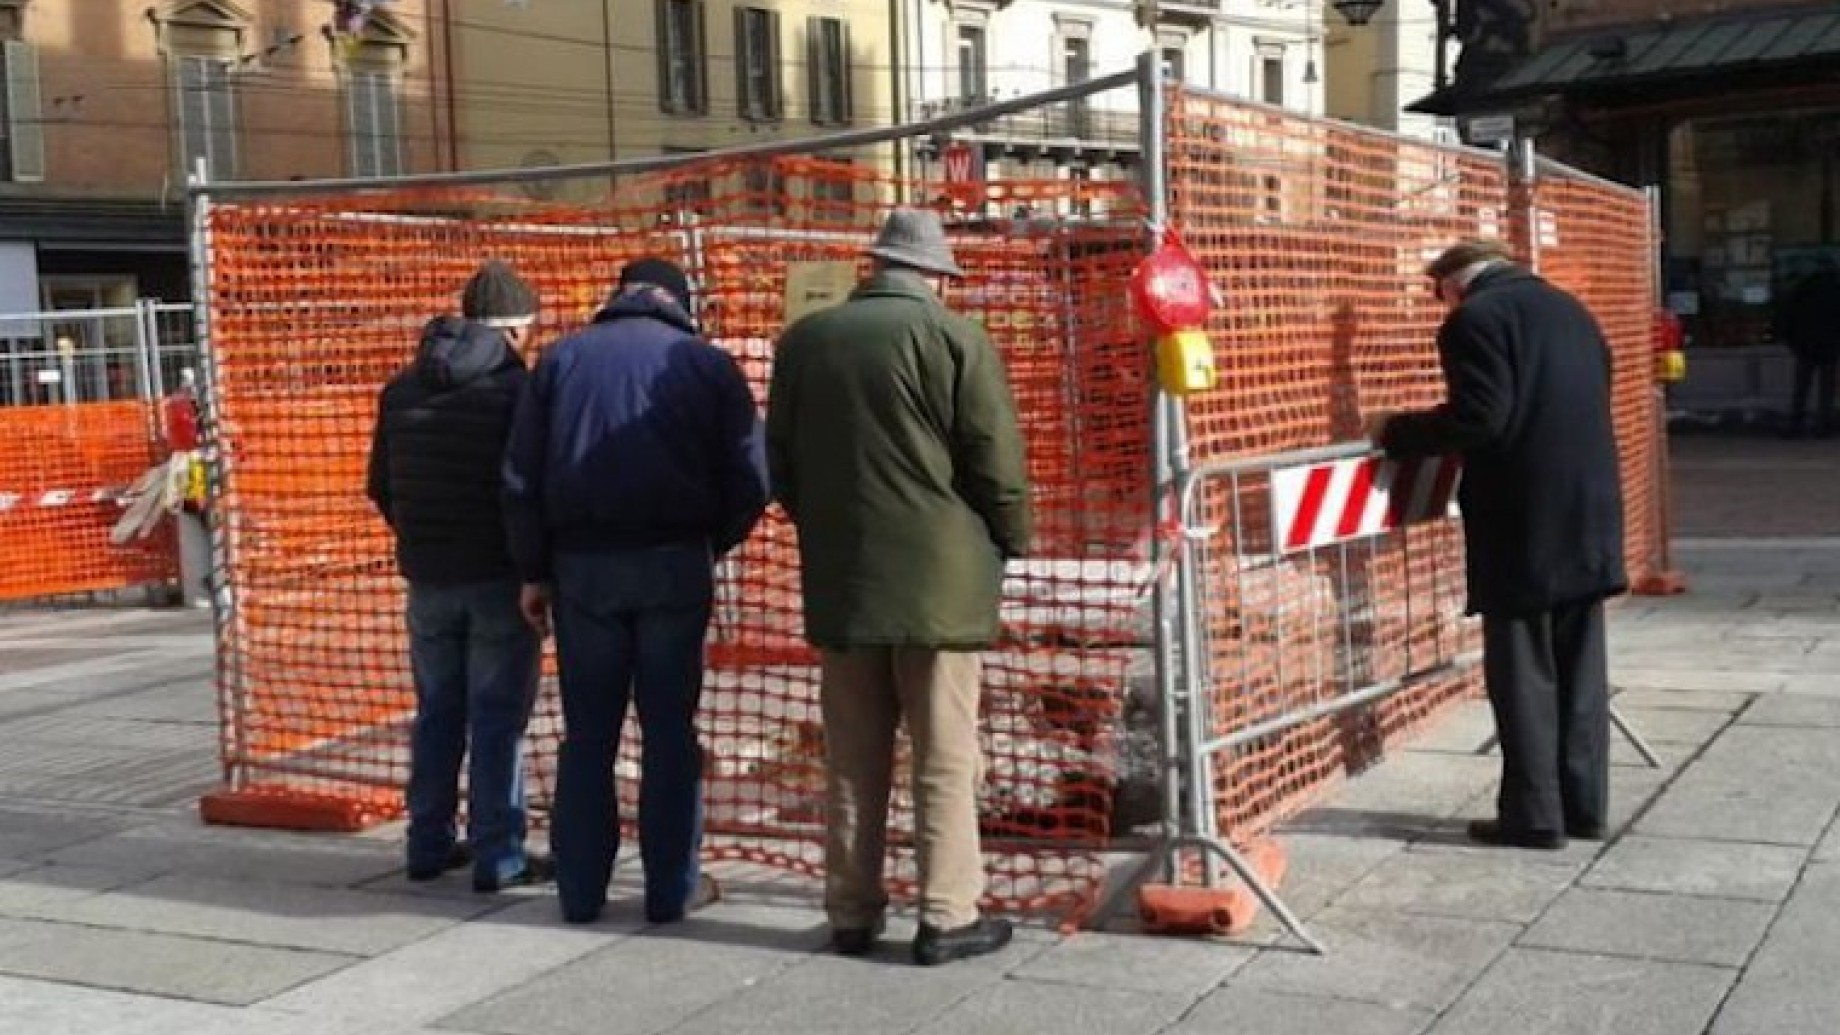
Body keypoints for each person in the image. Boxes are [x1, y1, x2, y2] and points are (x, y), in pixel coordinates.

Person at [766, 208, 1033, 965]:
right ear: (936, 279)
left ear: (873, 267)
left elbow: (778, 462)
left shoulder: (805, 341)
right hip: (941, 586)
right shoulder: (955, 340)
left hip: (844, 581)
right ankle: (947, 914)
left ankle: (851, 910)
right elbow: (995, 461)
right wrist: (1012, 538)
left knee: (852, 753)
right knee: (944, 753)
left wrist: (828, 528)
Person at [503, 257, 769, 925]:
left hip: (582, 569)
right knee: (670, 732)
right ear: (678, 300)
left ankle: (581, 890)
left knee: (588, 735)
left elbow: (519, 478)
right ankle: (670, 887)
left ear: (617, 295)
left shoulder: (560, 361)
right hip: (675, 564)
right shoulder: (705, 364)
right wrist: (711, 541)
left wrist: (534, 570)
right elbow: (752, 478)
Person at [1369, 239, 1626, 851]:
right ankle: (1584, 805)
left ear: (1452, 284)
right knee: (1580, 667)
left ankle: (1534, 815)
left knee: (1523, 672)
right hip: (1590, 509)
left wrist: (1397, 430)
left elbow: (1482, 417)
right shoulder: (1573, 311)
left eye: (1438, 296)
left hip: (1524, 519)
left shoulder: (1475, 320)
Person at [366, 259, 549, 892]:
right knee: (498, 717)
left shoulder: (402, 388)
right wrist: (535, 567)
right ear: (517, 330)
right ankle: (499, 854)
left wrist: (420, 540)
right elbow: (524, 490)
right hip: (498, 577)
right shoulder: (515, 389)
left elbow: (380, 485)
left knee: (437, 711)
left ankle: (427, 842)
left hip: (427, 577)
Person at [1777, 257, 1840, 438]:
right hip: (1829, 345)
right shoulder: (1835, 291)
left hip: (1805, 345)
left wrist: (1792, 341)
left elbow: (1787, 317)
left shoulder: (1802, 289)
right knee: (1827, 388)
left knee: (1802, 387)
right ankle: (1824, 425)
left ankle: (1796, 424)